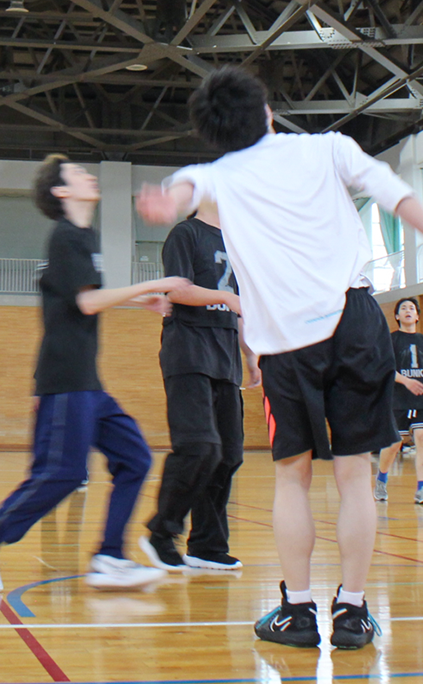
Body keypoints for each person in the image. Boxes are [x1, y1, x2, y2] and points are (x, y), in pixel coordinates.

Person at [136, 66, 423, 650]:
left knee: (294, 475)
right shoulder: (327, 148)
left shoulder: (214, 175)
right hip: (356, 320)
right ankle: (354, 612)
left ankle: (300, 611)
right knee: (355, 473)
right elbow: (395, 192)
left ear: (215, 134)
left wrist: (165, 201)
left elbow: (179, 191)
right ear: (268, 114)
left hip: (286, 340)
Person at [0, 156, 184, 593]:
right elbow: (87, 304)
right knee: (61, 473)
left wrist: (141, 302)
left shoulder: (82, 237)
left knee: (134, 458)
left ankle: (111, 556)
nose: (88, 175)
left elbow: (84, 296)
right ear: (61, 192)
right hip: (65, 379)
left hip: (87, 382)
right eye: (77, 173)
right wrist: (152, 286)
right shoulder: (65, 236)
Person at [140, 202, 257, 573]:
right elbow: (177, 291)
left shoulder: (238, 242)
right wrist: (224, 297)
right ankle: (161, 532)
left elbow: (238, 309)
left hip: (225, 358)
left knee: (229, 454)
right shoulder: (185, 233)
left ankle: (207, 545)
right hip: (188, 352)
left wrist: (250, 355)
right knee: (199, 447)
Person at [374, 297, 423, 505]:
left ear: (417, 316)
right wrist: (406, 381)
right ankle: (381, 479)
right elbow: (384, 368)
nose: (408, 310)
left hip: (422, 400)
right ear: (397, 316)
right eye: (403, 308)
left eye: (412, 308)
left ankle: (422, 489)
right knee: (394, 444)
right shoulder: (390, 340)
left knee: (422, 438)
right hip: (397, 399)